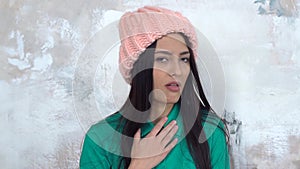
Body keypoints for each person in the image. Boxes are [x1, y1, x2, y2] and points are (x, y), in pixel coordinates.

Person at [80, 6, 230, 169]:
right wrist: (139, 165)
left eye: (184, 59)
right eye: (163, 59)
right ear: (139, 68)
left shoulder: (210, 131)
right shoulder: (100, 139)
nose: (177, 71)